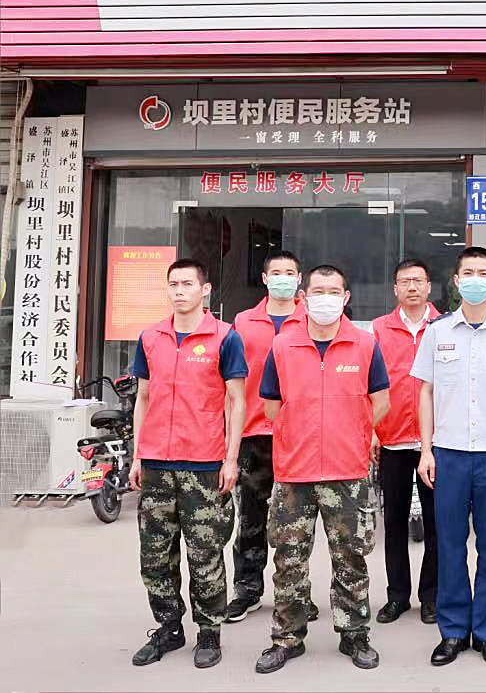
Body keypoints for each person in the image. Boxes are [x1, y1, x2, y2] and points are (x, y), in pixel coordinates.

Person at [254, 264, 391, 674]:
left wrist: (354, 431)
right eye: (318, 291)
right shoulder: (283, 346)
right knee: (288, 560)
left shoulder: (364, 345)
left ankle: (354, 634)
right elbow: (271, 405)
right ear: (304, 297)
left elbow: (381, 400)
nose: (325, 299)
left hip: (347, 471)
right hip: (294, 473)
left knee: (351, 558)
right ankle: (287, 638)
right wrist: (298, 432)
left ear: (346, 297)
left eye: (334, 292)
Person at [411, 246, 486, 668]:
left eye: (484, 273)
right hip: (448, 454)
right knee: (448, 545)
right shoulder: (437, 332)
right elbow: (425, 392)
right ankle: (452, 631)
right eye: (469, 273)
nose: (476, 279)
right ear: (456, 281)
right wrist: (426, 450)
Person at [129, 258, 247, 669]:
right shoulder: (150, 338)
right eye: (173, 284)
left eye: (187, 284)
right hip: (157, 464)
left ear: (205, 289)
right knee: (155, 555)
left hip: (204, 464)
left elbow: (237, 400)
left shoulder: (225, 338)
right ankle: (168, 628)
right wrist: (138, 454)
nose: (179, 291)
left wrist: (231, 458)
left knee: (205, 554)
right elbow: (143, 398)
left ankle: (209, 631)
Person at [227, 251, 308, 624]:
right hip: (254, 433)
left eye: (290, 272)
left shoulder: (310, 319)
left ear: (299, 279)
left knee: (297, 519)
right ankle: (247, 589)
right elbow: (230, 381)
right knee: (251, 516)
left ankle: (295, 593)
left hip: (300, 434)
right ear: (264, 278)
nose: (283, 278)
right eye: (276, 272)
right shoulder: (244, 322)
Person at [371, 258, 441, 626]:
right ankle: (397, 596)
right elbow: (366, 385)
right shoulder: (378, 330)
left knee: (437, 524)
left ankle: (432, 596)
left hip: (437, 441)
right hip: (392, 439)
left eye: (418, 280)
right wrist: (371, 430)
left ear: (429, 286)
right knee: (394, 524)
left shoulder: (445, 326)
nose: (412, 287)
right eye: (404, 281)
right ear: (395, 288)